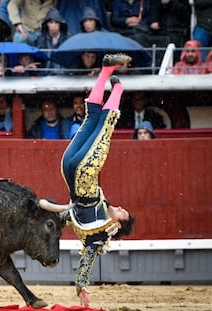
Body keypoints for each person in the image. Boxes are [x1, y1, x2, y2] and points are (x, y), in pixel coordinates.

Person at [39, 54, 135, 307]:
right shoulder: (95, 216)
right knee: (92, 118)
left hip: (82, 171)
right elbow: (61, 218)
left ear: (117, 226)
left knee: (105, 122)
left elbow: (86, 257)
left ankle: (118, 86)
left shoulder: (98, 235)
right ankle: (105, 72)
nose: (122, 209)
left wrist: (82, 285)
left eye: (123, 215)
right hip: (70, 169)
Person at [35, 7, 71, 75]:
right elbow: (38, 61)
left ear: (60, 24)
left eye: (56, 22)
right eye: (51, 22)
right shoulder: (40, 40)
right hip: (45, 76)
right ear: (47, 24)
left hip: (64, 76)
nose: (54, 25)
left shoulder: (68, 39)